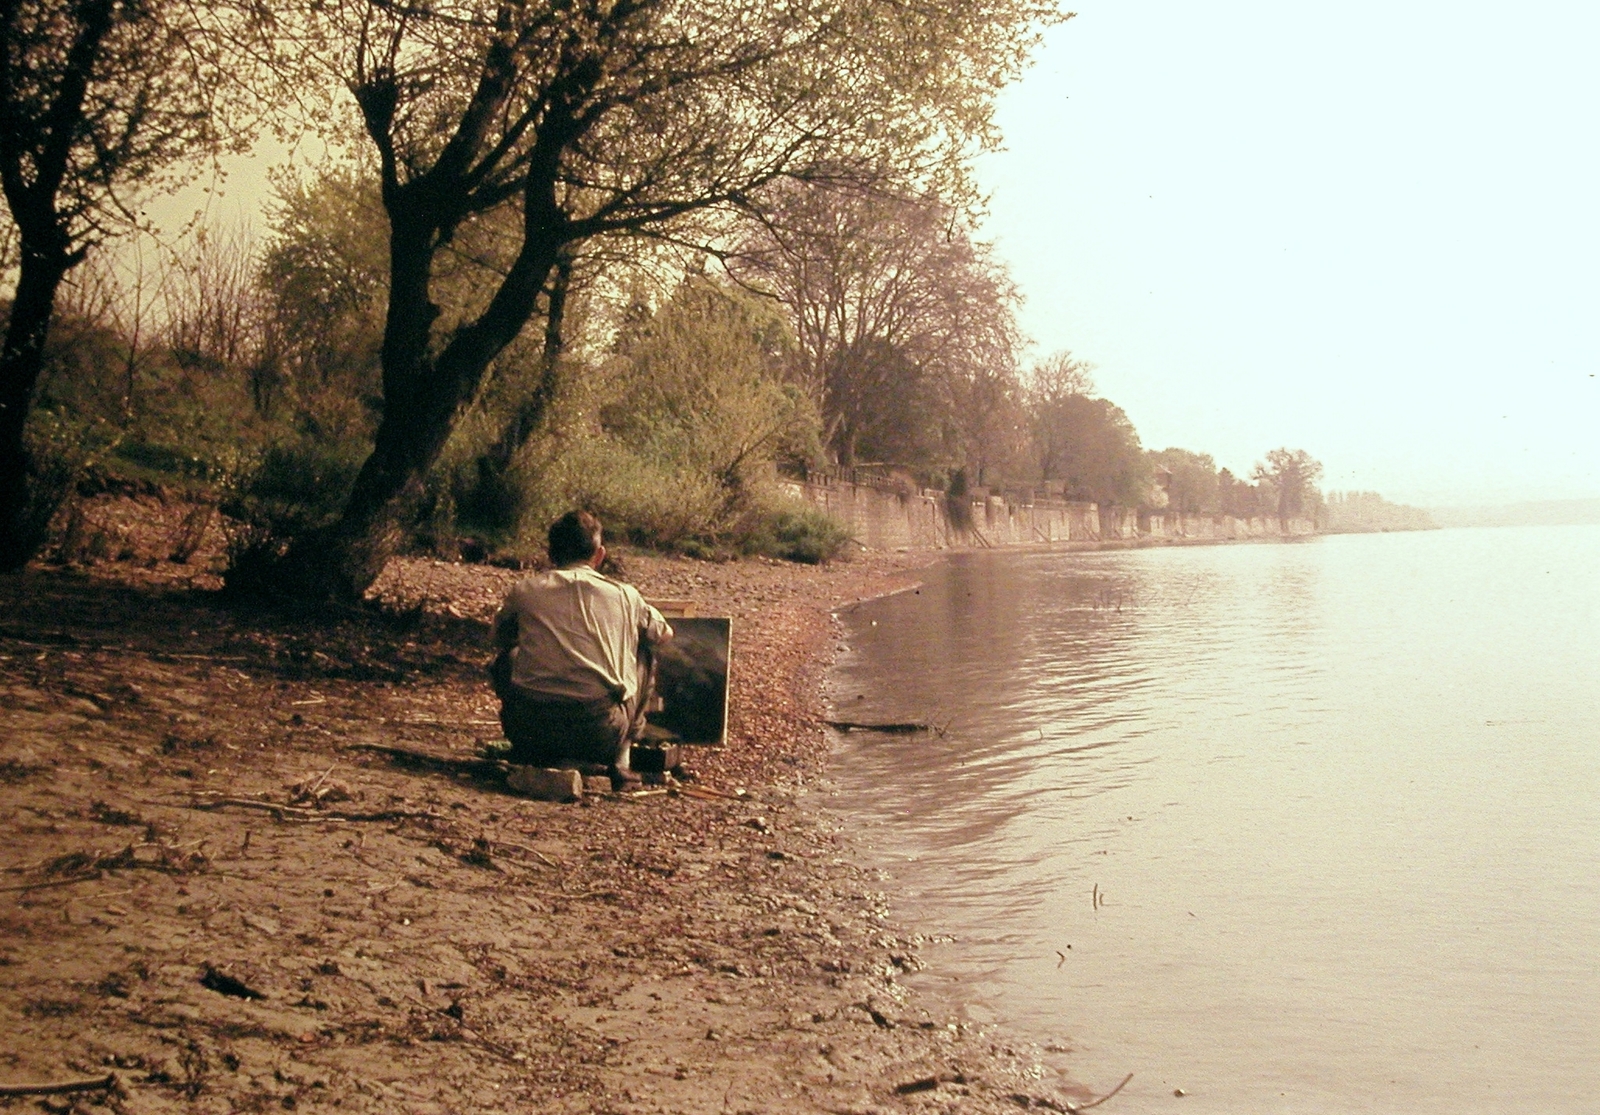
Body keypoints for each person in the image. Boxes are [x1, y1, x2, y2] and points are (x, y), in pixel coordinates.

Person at [491, 511, 672, 785]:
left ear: (551, 555)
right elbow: (664, 634)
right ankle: (622, 759)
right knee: (646, 651)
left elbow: (499, 639)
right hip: (598, 735)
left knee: (507, 657)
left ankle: (531, 752)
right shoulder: (625, 595)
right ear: (599, 555)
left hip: (528, 729)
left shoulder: (525, 591)